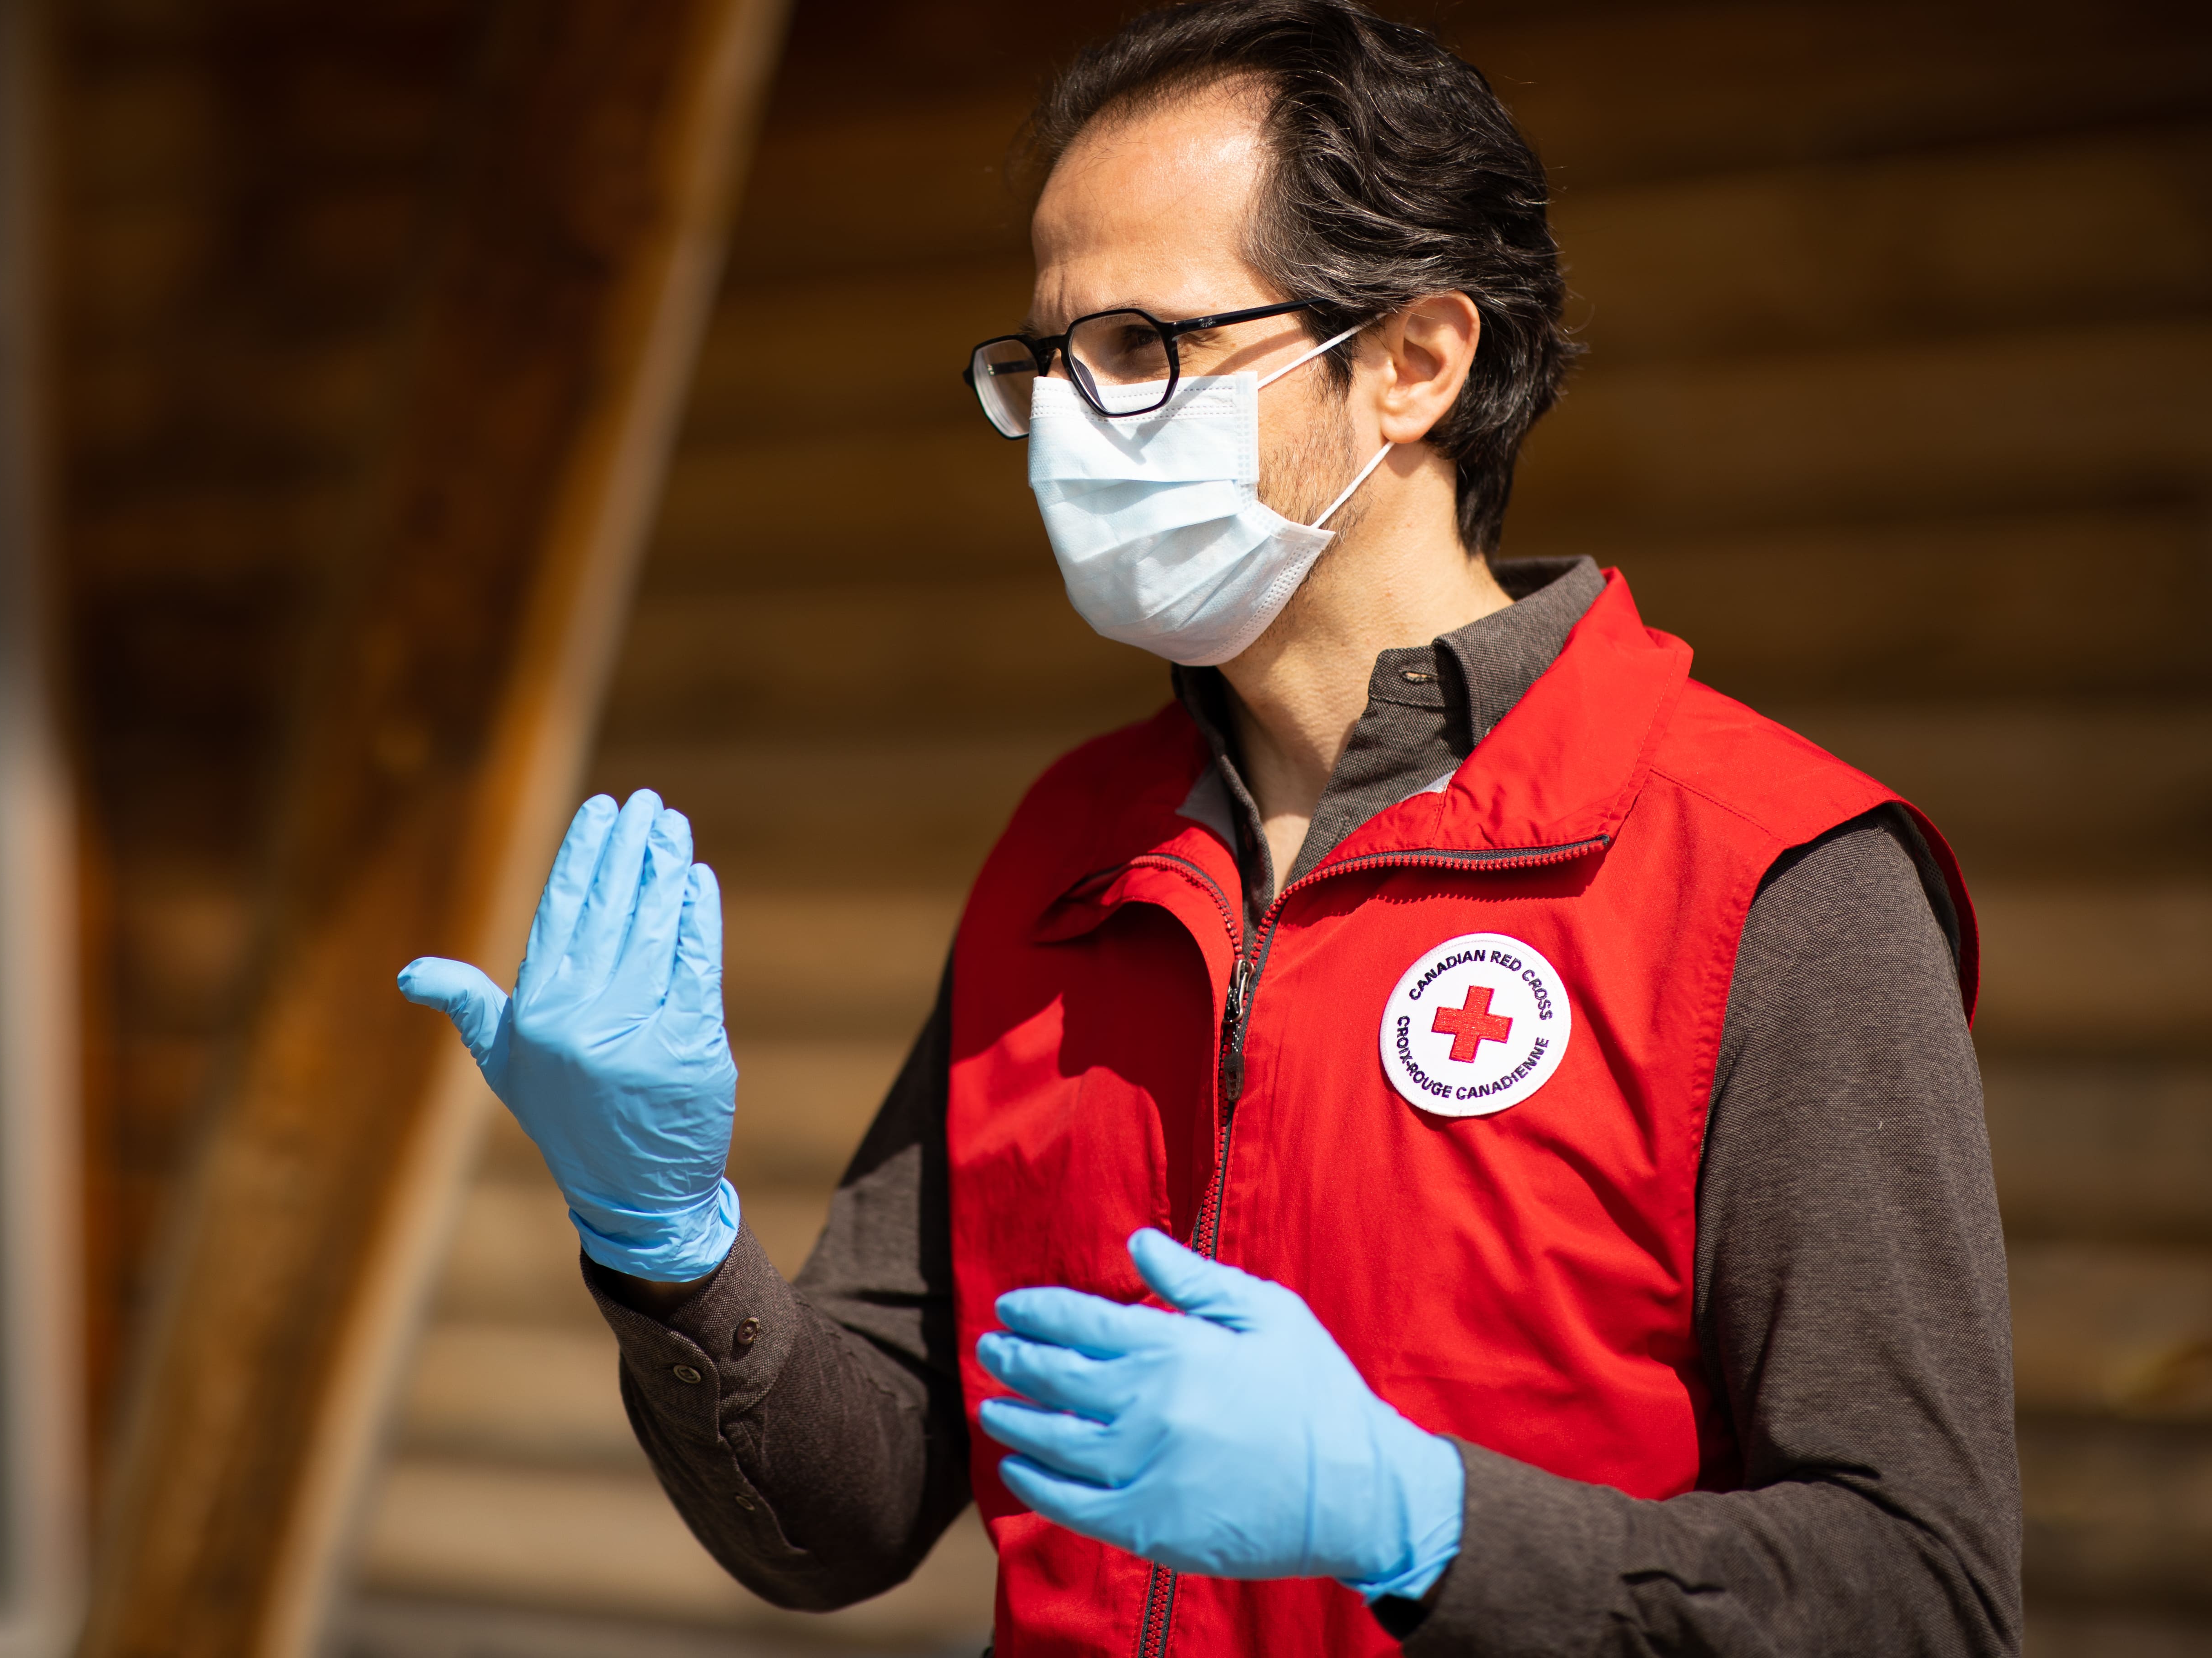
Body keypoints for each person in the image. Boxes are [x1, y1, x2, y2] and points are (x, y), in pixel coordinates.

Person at [399, 2, 2021, 1652]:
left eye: (1141, 347)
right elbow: (856, 1514)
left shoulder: (1773, 871)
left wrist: (1426, 1522)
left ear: (1413, 362)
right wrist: (667, 1245)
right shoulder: (1072, 847)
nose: (1074, 423)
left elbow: (1923, 1596)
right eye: (1045, 361)